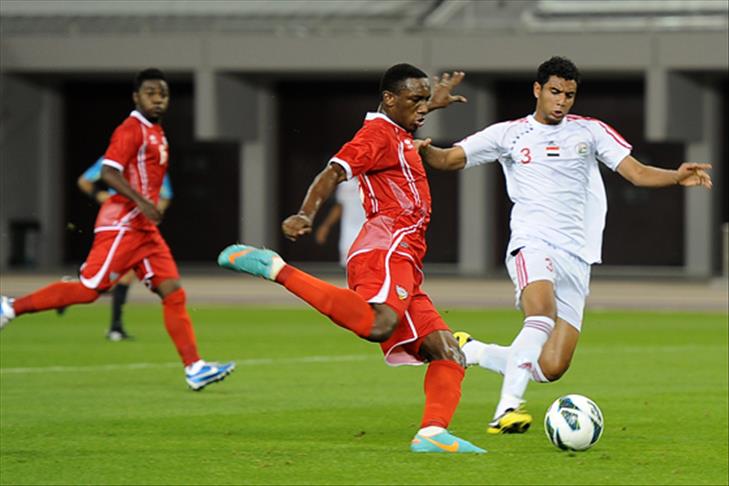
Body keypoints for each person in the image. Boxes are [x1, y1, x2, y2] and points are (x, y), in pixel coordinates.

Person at [417, 56, 713, 434]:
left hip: (576, 254)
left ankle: (472, 350)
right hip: (531, 242)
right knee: (540, 314)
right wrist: (422, 147)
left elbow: (636, 172)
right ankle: (507, 408)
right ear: (537, 90)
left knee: (551, 367)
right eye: (555, 92)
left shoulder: (590, 132)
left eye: (569, 95)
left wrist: (675, 176)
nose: (561, 101)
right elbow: (447, 159)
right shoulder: (508, 134)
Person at [218, 64, 485, 453]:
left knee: (447, 351)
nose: (422, 108)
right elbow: (333, 172)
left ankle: (431, 434)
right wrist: (305, 214)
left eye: (425, 100)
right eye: (415, 100)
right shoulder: (375, 134)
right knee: (378, 323)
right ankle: (277, 269)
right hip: (386, 246)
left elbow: (405, 121)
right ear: (389, 99)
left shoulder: (397, 131)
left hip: (406, 256)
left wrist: (431, 105)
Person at [0, 68, 235, 391]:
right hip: (123, 224)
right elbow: (109, 172)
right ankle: (10, 307)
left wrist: (147, 206)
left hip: (144, 230)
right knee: (88, 290)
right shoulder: (130, 129)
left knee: (172, 291)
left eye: (163, 94)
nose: (158, 99)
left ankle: (194, 367)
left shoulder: (156, 131)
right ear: (136, 97)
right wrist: (143, 202)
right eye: (151, 93)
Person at [77, 157, 174, 341]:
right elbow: (84, 181)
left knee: (123, 276)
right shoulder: (115, 159)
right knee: (113, 277)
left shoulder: (154, 160)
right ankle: (74, 291)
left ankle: (115, 326)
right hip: (117, 224)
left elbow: (166, 196)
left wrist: (153, 210)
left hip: (138, 225)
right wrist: (99, 195)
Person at [314, 177, 366, 266]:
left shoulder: (376, 180)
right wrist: (325, 226)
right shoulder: (345, 182)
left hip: (370, 234)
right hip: (349, 236)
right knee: (350, 268)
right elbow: (340, 206)